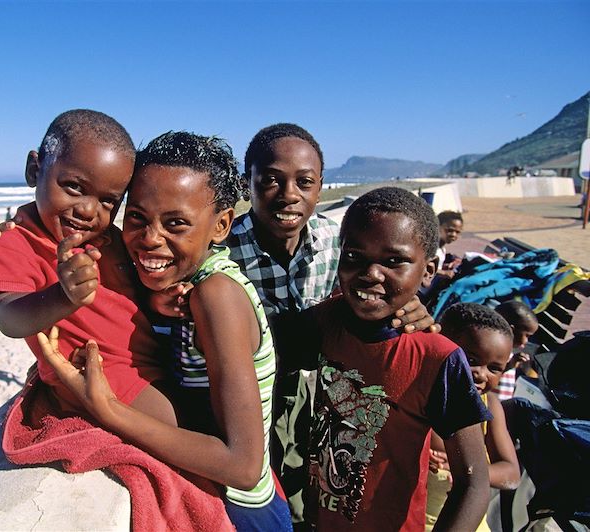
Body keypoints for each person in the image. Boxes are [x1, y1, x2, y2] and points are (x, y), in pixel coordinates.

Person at [152, 123, 436, 529]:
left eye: (304, 182)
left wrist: (411, 307)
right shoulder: (217, 249)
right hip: (245, 400)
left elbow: (376, 286)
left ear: (320, 188)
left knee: (312, 489)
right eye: (269, 180)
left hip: (318, 395)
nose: (288, 194)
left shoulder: (339, 245)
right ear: (245, 184)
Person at [39, 131, 293, 530]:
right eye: (137, 217)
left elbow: (242, 466)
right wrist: (19, 225)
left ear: (222, 224)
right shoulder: (173, 283)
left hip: (239, 511)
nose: (150, 239)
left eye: (176, 223)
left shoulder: (217, 296)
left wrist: (109, 409)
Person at [304, 187, 491, 530]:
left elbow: (474, 482)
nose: (371, 273)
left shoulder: (437, 358)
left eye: (393, 261)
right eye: (354, 256)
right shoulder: (326, 322)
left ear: (428, 269)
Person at [0, 109, 175, 426]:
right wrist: (63, 296)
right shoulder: (17, 243)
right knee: (181, 426)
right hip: (98, 372)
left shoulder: (109, 239)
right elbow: (7, 316)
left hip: (152, 358)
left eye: (108, 201)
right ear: (34, 170)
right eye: (74, 186)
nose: (87, 210)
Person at [426, 302, 521, 530]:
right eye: (470, 360)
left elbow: (511, 473)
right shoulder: (417, 401)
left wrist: (467, 469)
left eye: (495, 368)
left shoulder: (490, 408)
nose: (481, 374)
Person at [493, 300, 539, 400]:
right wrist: (511, 364)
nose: (527, 341)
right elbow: (491, 375)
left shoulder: (508, 352)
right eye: (527, 335)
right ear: (511, 330)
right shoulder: (495, 352)